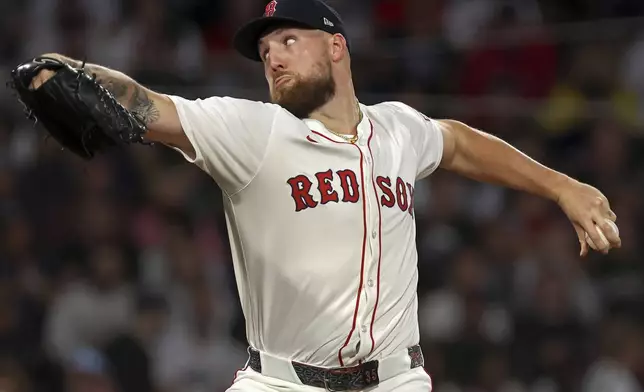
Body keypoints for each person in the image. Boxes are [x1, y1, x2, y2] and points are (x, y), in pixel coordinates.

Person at [27, 0, 621, 390]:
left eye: (287, 40)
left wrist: (562, 186)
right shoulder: (254, 131)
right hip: (282, 383)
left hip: (395, 380)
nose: (273, 58)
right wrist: (67, 71)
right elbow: (149, 105)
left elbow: (460, 143)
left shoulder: (397, 129)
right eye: (264, 53)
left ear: (336, 46)